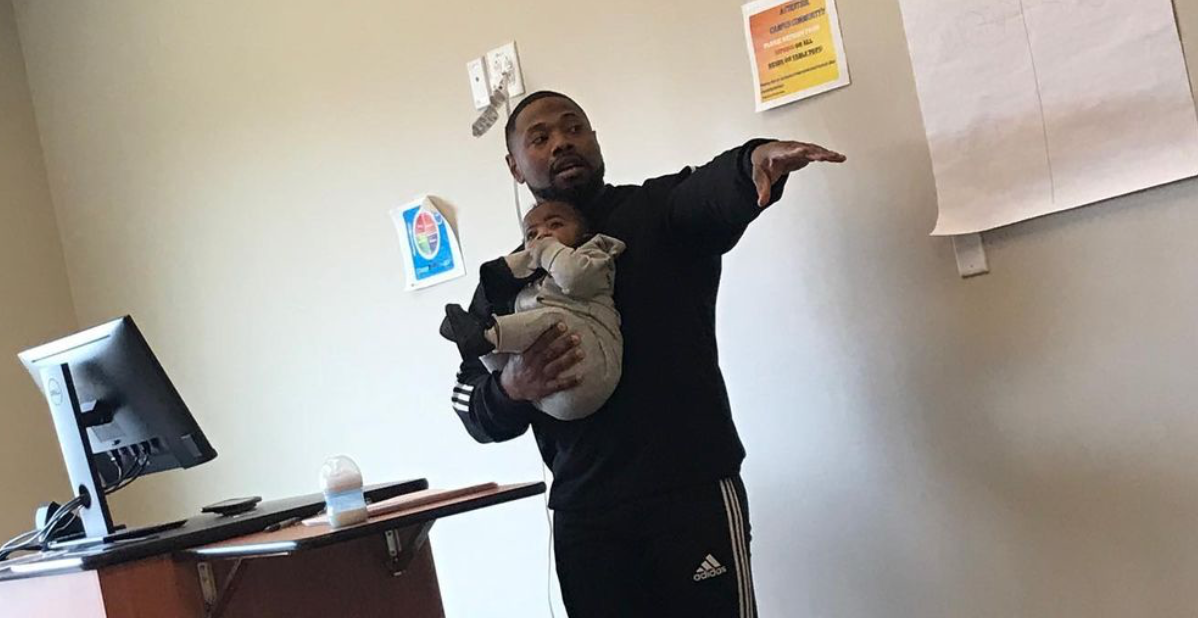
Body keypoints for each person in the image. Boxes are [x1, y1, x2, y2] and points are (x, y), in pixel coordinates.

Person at [448, 90, 845, 617]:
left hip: (690, 495)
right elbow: (470, 404)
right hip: (585, 517)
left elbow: (709, 190)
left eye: (574, 128)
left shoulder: (657, 211)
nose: (562, 142)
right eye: (540, 138)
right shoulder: (504, 279)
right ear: (514, 166)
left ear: (594, 140)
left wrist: (752, 160)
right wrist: (511, 388)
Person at [441, 199, 625, 421]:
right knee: (492, 352)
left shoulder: (593, 255)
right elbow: (470, 393)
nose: (542, 235)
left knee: (554, 321)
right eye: (531, 234)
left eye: (555, 225)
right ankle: (483, 341)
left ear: (583, 236)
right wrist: (510, 387)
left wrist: (547, 249)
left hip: (594, 368)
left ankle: (488, 335)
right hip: (546, 402)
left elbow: (573, 277)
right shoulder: (506, 284)